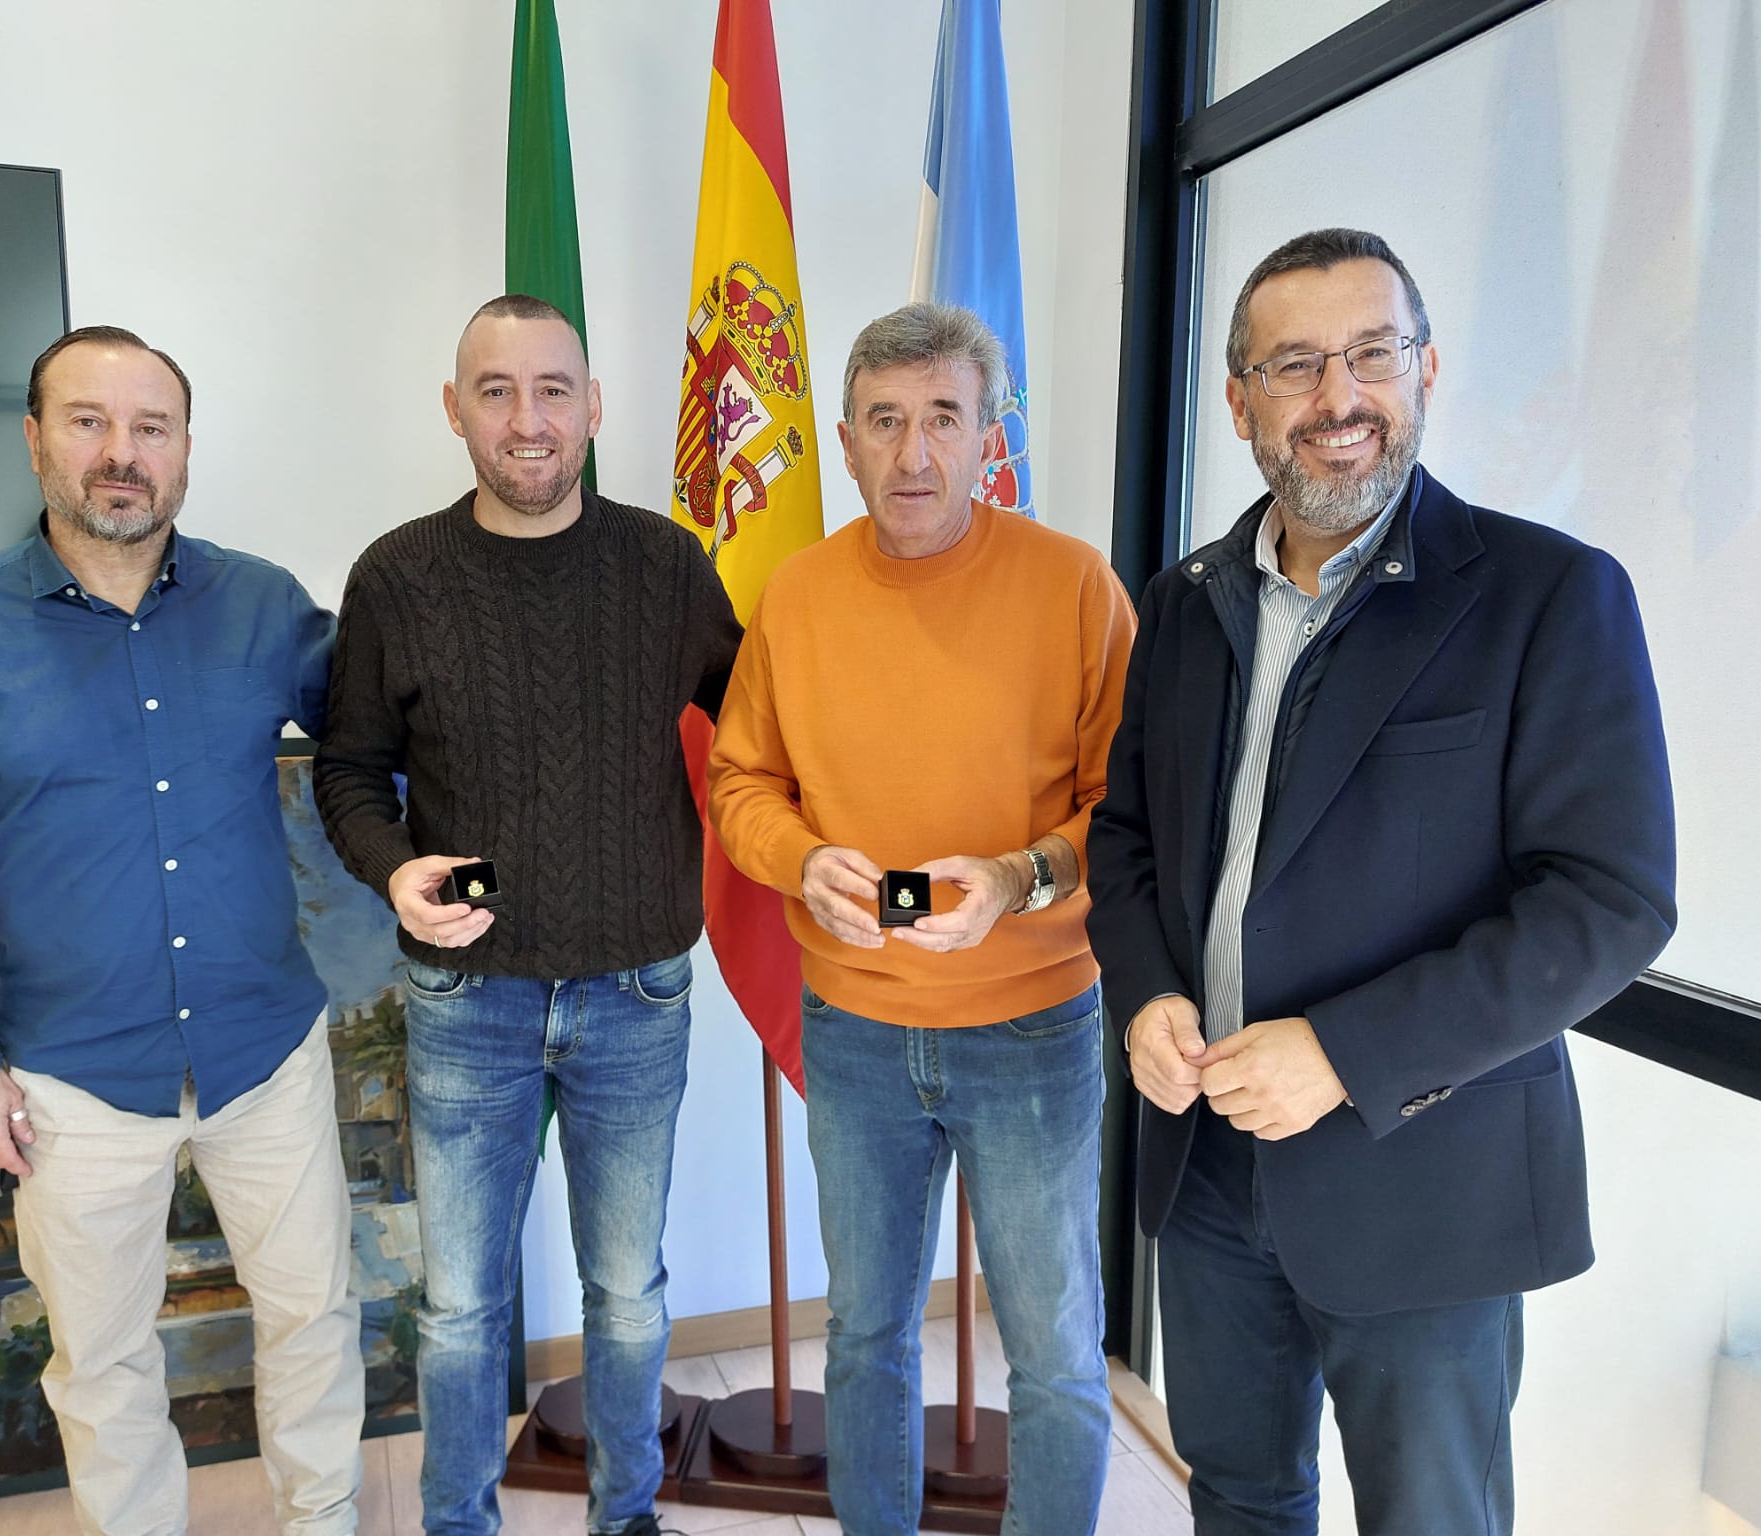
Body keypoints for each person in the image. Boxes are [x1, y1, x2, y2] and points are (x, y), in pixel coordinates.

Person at [1085, 228, 1677, 1535]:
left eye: (1370, 353)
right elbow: (1124, 839)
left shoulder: (1546, 597)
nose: (1337, 397)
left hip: (1422, 1181)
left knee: (1432, 1519)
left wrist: (1347, 1053)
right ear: (1239, 402)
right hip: (1208, 1169)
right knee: (1241, 1495)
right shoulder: (1186, 604)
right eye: (1295, 364)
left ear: (1426, 371)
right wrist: (1146, 999)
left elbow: (1611, 897)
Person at [0, 326, 363, 1535]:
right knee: (101, 1367)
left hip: (266, 1056)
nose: (120, 454)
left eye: (151, 427)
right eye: (88, 421)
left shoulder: (262, 606)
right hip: (68, 1085)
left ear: (185, 451)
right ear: (34, 441)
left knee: (314, 1324)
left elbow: (393, 731)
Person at [311, 294, 740, 1536]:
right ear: (454, 412)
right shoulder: (397, 575)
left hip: (636, 991)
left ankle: (627, 1516)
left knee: (625, 1292)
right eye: (495, 392)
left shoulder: (667, 566)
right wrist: (395, 868)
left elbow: (769, 720)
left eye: (554, 389)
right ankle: (458, 1522)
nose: (528, 419)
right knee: (457, 1308)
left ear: (595, 407)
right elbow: (348, 770)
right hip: (467, 998)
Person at [706, 301, 1137, 1536]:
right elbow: (740, 783)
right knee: (866, 1335)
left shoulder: (1072, 587)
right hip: (850, 1029)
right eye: (884, 423)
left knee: (1054, 1351)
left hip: (1032, 1031)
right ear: (841, 441)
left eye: (941, 419)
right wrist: (797, 861)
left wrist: (1019, 878)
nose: (911, 456)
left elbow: (1132, 808)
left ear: (986, 434)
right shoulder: (794, 598)